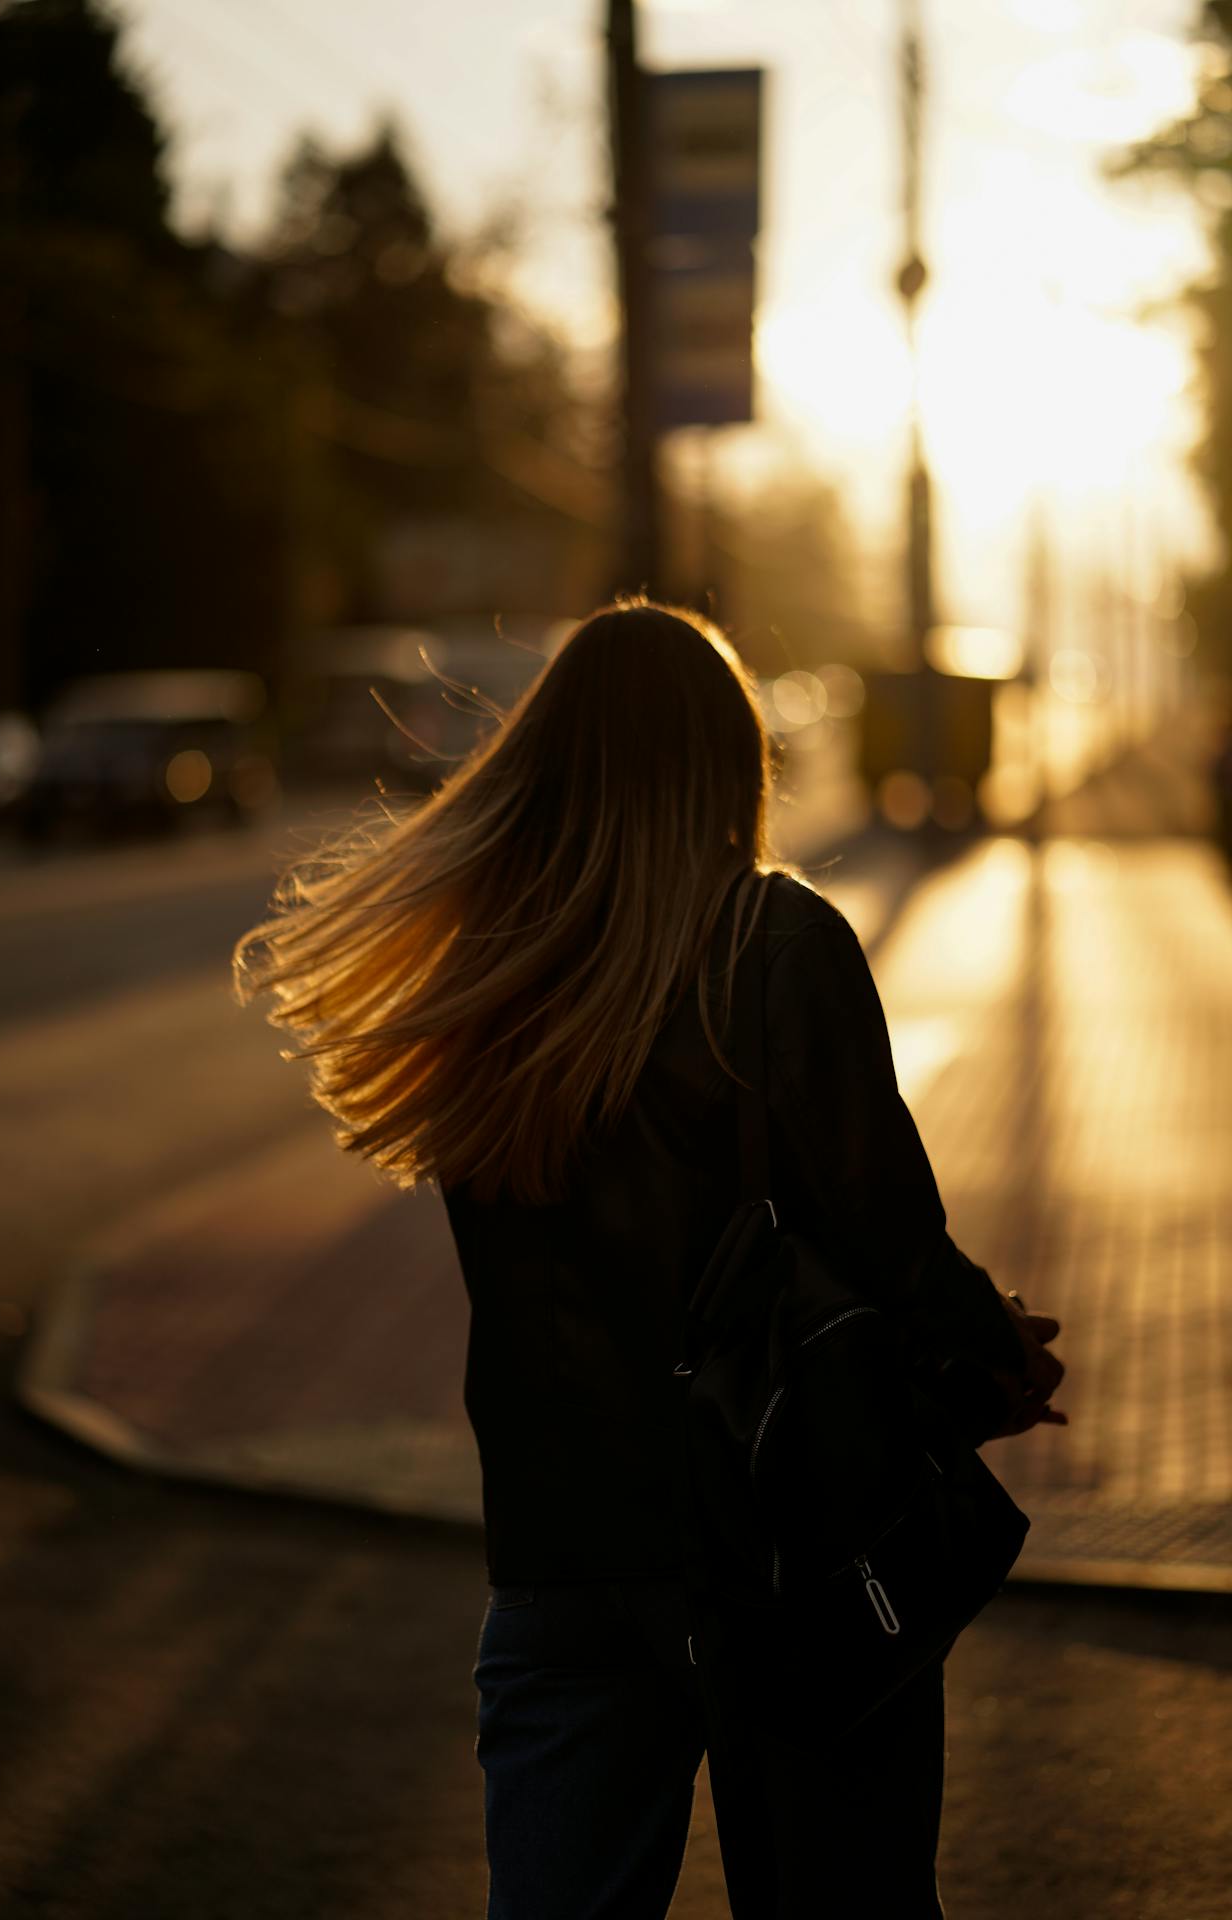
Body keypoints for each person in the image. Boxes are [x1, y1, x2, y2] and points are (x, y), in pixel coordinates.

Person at [233, 600, 1065, 1919]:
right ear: (731, 767)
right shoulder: (774, 943)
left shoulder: (493, 974)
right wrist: (995, 1353)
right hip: (780, 1553)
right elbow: (884, 1235)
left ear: (548, 764)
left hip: (562, 1558)